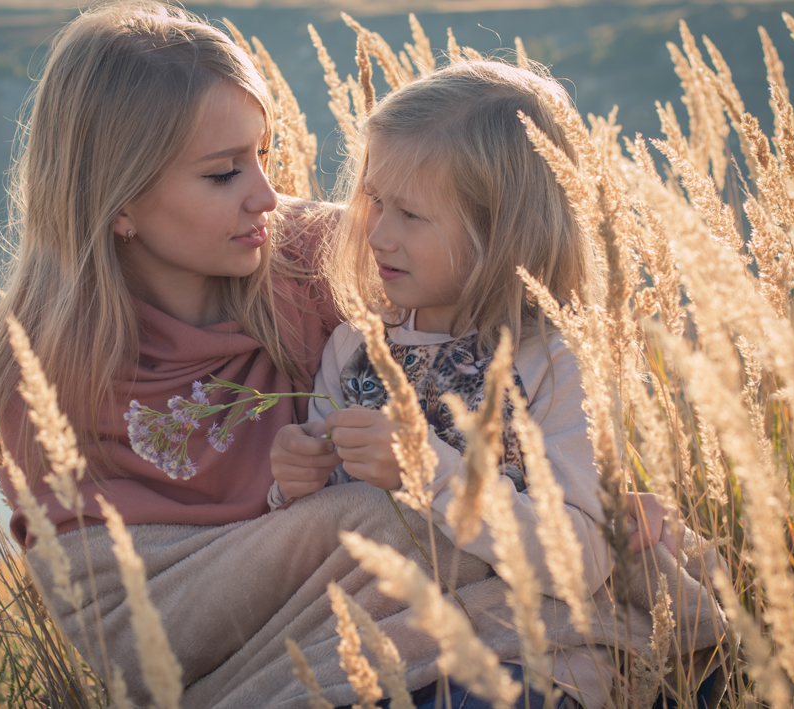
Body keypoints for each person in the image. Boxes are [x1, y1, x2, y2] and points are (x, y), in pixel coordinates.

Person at [0, 3, 717, 708]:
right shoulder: (42, 367)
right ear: (119, 200)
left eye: (263, 155)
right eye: (224, 172)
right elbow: (110, 611)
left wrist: (581, 489)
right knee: (374, 519)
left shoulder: (314, 260)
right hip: (206, 601)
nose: (269, 195)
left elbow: (498, 328)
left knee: (439, 529)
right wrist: (300, 499)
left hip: (388, 576)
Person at [268, 60, 705, 708]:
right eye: (375, 201)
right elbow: (328, 540)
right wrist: (291, 484)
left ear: (501, 230)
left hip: (522, 661)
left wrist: (426, 464)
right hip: (387, 651)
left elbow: (580, 557)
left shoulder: (556, 364)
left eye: (411, 214)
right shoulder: (355, 349)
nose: (378, 232)